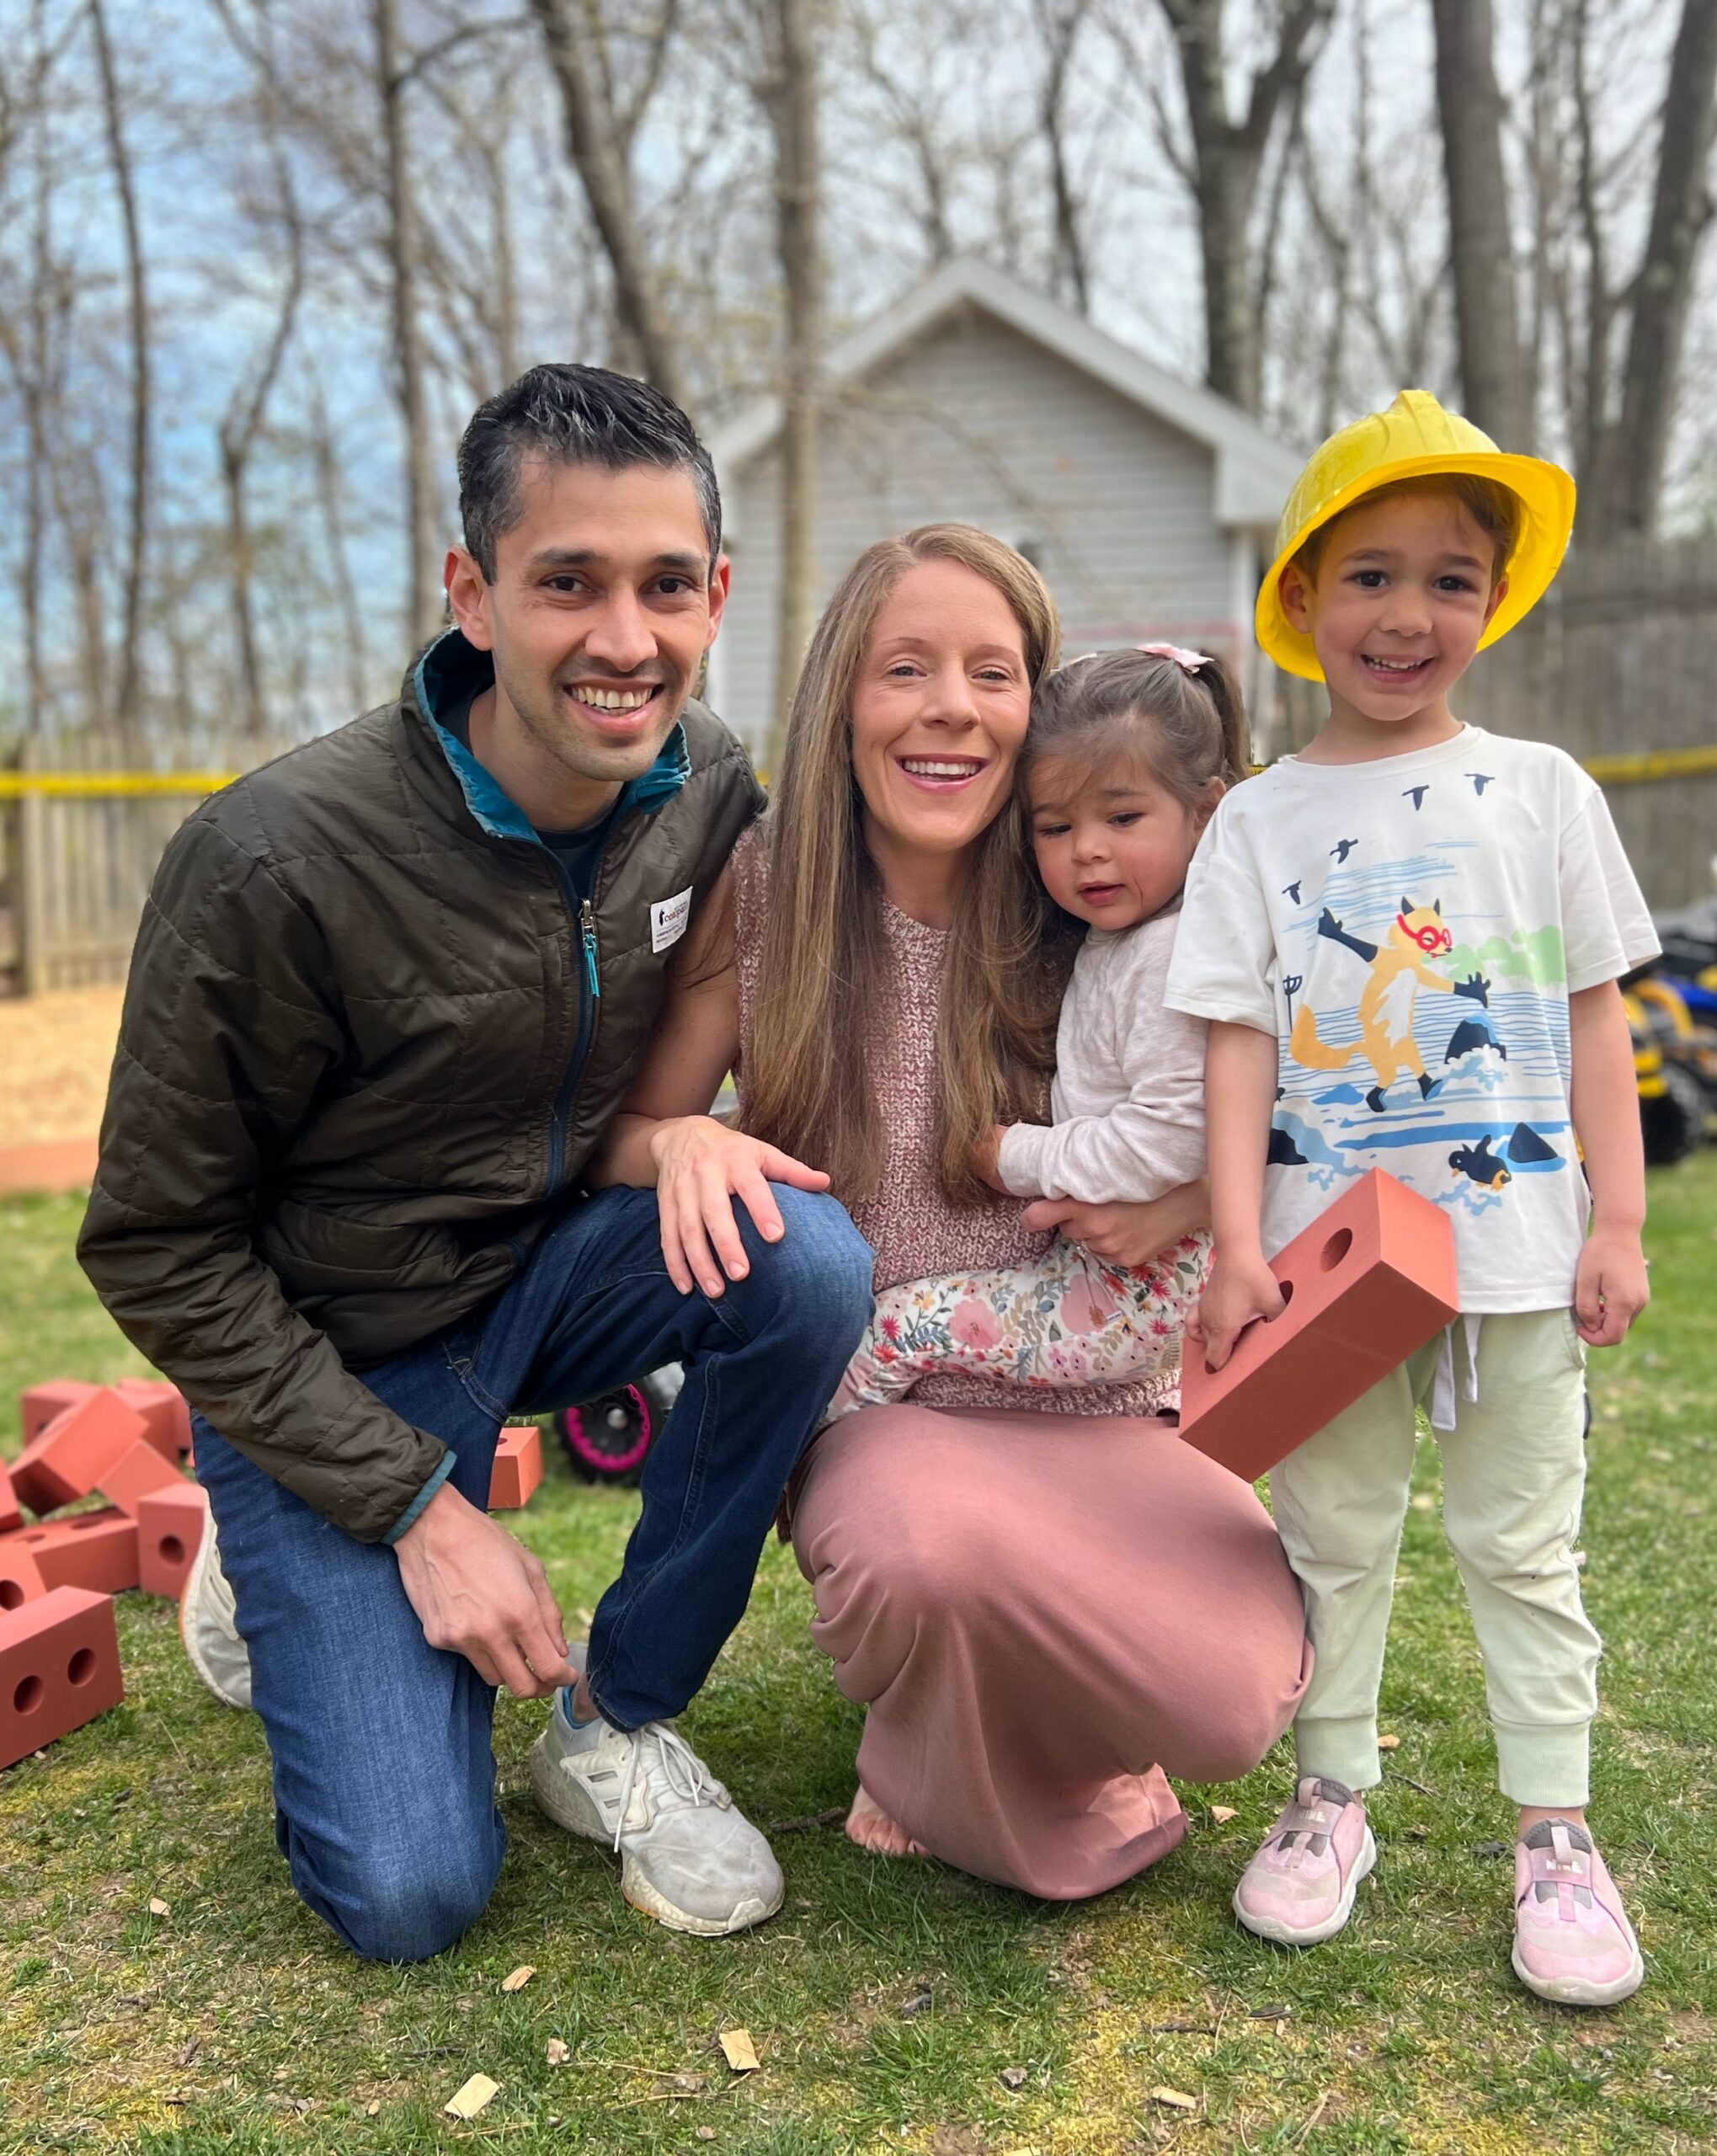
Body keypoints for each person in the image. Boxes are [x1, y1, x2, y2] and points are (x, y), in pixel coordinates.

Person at [77, 365, 874, 1960]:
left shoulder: (708, 786)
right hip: (335, 1353)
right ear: (472, 590)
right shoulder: (270, 858)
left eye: (663, 586)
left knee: (804, 1258)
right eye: (565, 581)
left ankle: (617, 1716)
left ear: (717, 593)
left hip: (539, 1281)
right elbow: (155, 1242)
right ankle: (278, 1538)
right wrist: (419, 1510)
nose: (621, 638)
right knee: (410, 1894)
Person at [588, 523, 1312, 1890]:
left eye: (991, 672)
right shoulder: (770, 896)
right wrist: (679, 1139)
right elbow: (621, 1134)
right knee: (919, 1560)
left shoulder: (1089, 893)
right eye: (903, 667)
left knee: (1233, 1697)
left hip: (1101, 1396)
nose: (947, 709)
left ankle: (1024, 1721)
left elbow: (1272, 1074)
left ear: (1036, 706)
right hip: (892, 1410)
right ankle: (935, 1761)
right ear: (840, 701)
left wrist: (1183, 1199)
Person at [1167, 391, 1658, 2006]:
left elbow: (1595, 1014)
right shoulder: (1254, 817)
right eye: (1368, 574)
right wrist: (1235, 1246)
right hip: (1328, 1265)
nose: (1407, 613)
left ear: (1490, 601)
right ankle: (1332, 1799)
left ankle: (1555, 1834)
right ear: (1302, 597)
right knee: (1333, 1538)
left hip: (1518, 1253)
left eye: (1450, 577)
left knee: (1526, 1550)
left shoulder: (1542, 787)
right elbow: (1236, 1039)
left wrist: (1616, 1221)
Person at [827, 642, 1245, 1417]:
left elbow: (1169, 1139)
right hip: (1116, 1281)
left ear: (1206, 813)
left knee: (900, 1325)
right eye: (1055, 828)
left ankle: (819, 1449)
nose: (1088, 849)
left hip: (1131, 1293)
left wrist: (1017, 1155)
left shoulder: (1169, 957)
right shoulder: (1127, 938)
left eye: (1122, 817)